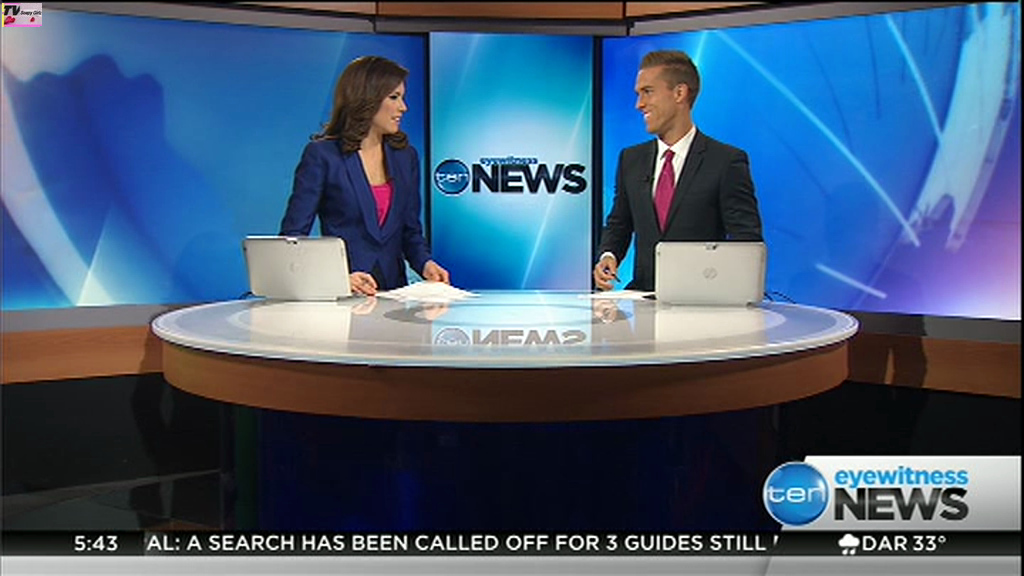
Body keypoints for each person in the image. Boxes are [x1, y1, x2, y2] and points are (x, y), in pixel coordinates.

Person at [594, 50, 763, 292]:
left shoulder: (725, 161)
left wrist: (731, 293)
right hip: (643, 298)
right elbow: (619, 223)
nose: (639, 104)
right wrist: (608, 255)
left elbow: (747, 243)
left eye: (647, 92)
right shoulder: (631, 159)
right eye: (638, 94)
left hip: (701, 301)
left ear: (679, 93)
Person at [280, 56, 449, 296]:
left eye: (402, 97)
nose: (403, 107)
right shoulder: (323, 155)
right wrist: (337, 279)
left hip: (393, 297)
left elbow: (410, 231)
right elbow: (292, 241)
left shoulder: (405, 157)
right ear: (367, 98)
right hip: (344, 295)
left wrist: (425, 264)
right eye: (394, 97)